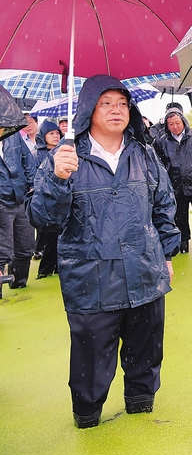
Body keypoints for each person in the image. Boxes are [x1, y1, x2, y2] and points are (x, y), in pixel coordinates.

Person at [26, 75, 179, 428]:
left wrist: (167, 255)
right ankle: (88, 414)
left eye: (122, 104)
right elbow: (42, 218)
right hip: (91, 280)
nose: (116, 110)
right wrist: (57, 180)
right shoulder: (64, 157)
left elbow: (163, 206)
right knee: (91, 360)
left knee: (145, 350)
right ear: (88, 110)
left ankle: (141, 403)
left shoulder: (143, 154)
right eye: (106, 103)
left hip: (144, 273)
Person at [153, 106, 192, 254]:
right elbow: (159, 165)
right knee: (179, 221)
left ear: (183, 121)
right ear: (167, 125)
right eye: (171, 124)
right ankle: (183, 248)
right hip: (176, 188)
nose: (175, 126)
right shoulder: (161, 142)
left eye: (177, 123)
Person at [0, 122, 37, 296]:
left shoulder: (12, 134)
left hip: (20, 196)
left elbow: (27, 160)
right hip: (1, 200)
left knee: (26, 245)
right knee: (2, 249)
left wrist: (32, 187)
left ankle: (19, 282)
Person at [33, 120, 63, 278]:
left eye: (57, 133)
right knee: (50, 237)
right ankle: (45, 269)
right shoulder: (37, 154)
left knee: (59, 237)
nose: (55, 136)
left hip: (61, 198)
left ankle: (57, 267)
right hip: (46, 198)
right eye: (51, 133)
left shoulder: (64, 151)